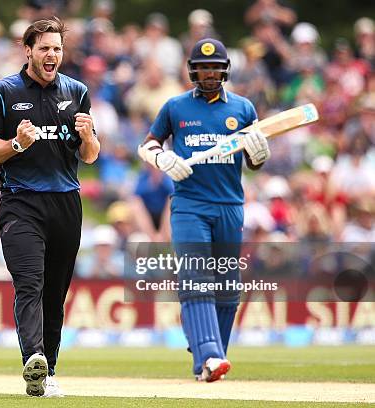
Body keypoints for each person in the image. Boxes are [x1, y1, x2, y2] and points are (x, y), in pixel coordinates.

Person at [137, 38, 270, 382]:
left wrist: (258, 155)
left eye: (215, 67)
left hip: (230, 205)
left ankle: (208, 362)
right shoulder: (175, 107)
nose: (209, 73)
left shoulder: (243, 109)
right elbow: (147, 145)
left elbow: (253, 163)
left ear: (224, 70)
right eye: (203, 68)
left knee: (227, 287)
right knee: (196, 276)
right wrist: (162, 158)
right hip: (189, 205)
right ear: (193, 71)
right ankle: (210, 353)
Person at [0, 17, 99, 397]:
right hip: (21, 201)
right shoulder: (2, 92)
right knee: (29, 283)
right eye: (45, 48)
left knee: (55, 292)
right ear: (28, 50)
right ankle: (33, 358)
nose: (52, 55)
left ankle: (48, 371)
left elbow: (91, 156)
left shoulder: (77, 91)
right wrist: (17, 144)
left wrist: (87, 136)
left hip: (66, 202)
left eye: (58, 49)